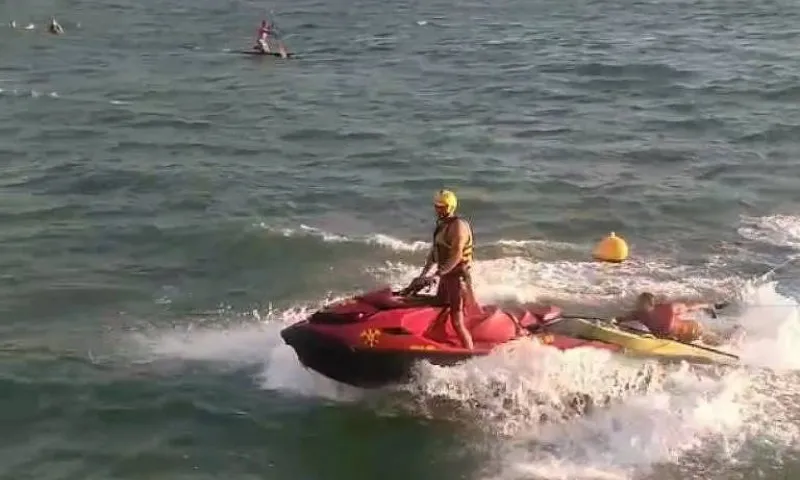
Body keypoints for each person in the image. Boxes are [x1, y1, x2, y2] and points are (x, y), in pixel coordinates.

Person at [406, 189, 479, 349]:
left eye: (442, 207)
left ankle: (469, 352)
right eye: (437, 206)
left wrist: (438, 274)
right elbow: (434, 253)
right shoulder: (442, 225)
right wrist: (423, 275)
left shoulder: (458, 226)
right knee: (439, 305)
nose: (439, 209)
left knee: (457, 321)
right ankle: (436, 338)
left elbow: (457, 255)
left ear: (450, 207)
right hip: (447, 276)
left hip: (458, 278)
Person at [617, 292, 725, 345]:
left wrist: (707, 307)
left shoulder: (667, 308)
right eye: (639, 303)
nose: (639, 305)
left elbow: (689, 307)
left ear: (651, 305)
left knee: (716, 342)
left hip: (692, 330)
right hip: (674, 340)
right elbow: (621, 320)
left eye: (642, 304)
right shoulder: (638, 314)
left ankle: (731, 343)